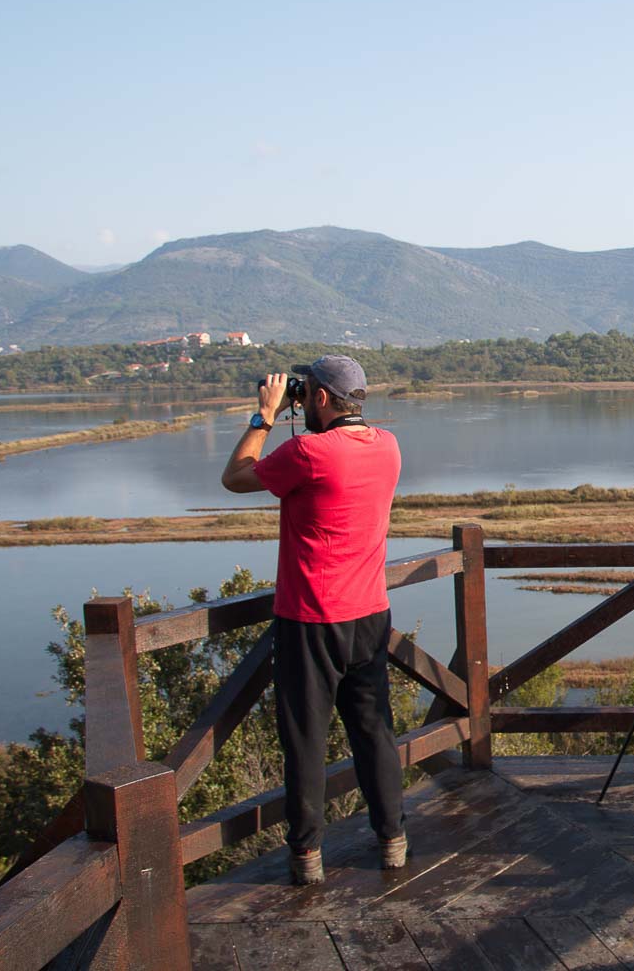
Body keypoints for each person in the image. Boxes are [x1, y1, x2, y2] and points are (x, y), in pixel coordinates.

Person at [220, 354, 406, 885]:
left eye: (305, 392)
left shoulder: (307, 452)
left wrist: (264, 417)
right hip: (370, 615)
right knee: (374, 732)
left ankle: (307, 857)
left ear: (320, 398)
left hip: (310, 620)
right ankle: (393, 842)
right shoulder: (388, 446)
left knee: (305, 741)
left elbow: (234, 477)